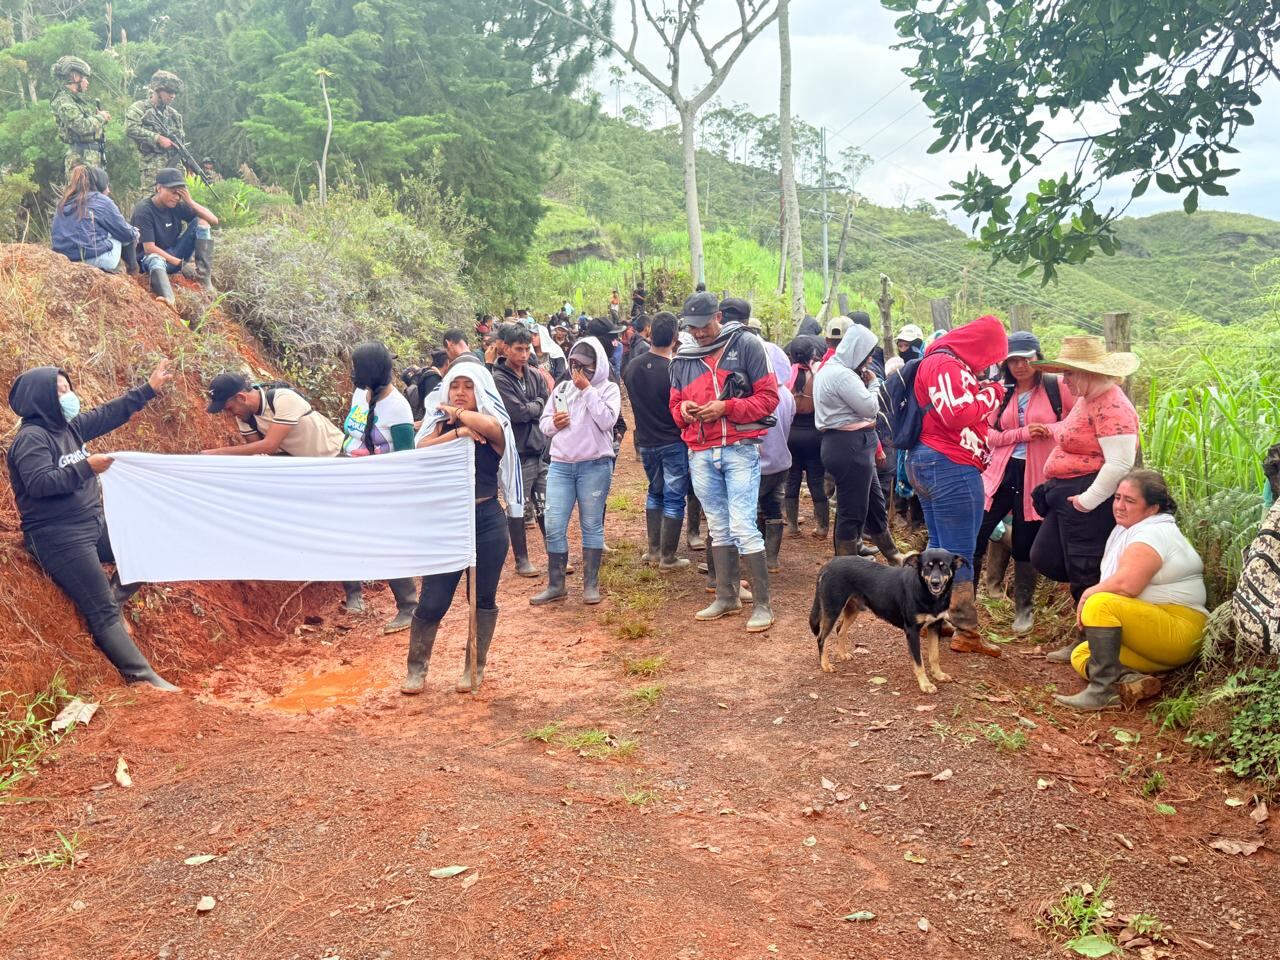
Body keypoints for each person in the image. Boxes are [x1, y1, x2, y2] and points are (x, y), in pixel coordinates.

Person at [6, 359, 179, 690]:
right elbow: (40, 484)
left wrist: (149, 389)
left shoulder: (68, 427)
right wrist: (86, 467)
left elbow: (108, 414)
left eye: (68, 388)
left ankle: (116, 596)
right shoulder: (32, 439)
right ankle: (144, 679)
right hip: (59, 536)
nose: (68, 396)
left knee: (148, 544)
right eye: (59, 392)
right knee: (102, 611)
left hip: (92, 524)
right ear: (40, 399)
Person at [405, 364, 521, 694]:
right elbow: (421, 450)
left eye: (468, 386)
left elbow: (493, 428)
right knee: (433, 600)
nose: (460, 392)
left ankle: (474, 666)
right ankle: (416, 668)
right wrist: (457, 432)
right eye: (454, 386)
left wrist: (461, 416)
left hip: (487, 520)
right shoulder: (437, 425)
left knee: (481, 598)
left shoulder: (493, 424)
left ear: (480, 391)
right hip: (448, 522)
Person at [669, 292, 780, 631]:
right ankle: (726, 595)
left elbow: (769, 399)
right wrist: (684, 411)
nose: (699, 332)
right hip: (701, 450)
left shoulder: (746, 345)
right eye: (692, 327)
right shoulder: (684, 356)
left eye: (704, 325)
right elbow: (674, 406)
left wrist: (726, 408)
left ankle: (762, 605)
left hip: (739, 448)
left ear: (718, 317)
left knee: (743, 525)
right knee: (717, 526)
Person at [1056, 470, 1208, 710]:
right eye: (1117, 498)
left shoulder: (1152, 534)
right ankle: (1131, 680)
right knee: (1082, 654)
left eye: (1130, 500)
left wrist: (1087, 594)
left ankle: (1102, 692)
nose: (1119, 506)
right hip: (1155, 633)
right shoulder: (1133, 529)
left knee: (1099, 603)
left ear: (1152, 508)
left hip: (1179, 630)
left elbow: (1127, 586)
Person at [1030, 336, 1141, 661]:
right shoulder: (1089, 399)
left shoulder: (1113, 406)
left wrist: (1087, 501)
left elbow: (1119, 462)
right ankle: (1090, 632)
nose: (1064, 381)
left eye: (1069, 373)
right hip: (1070, 496)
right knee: (1048, 556)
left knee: (1085, 568)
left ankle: (1092, 645)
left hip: (1088, 498)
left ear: (1088, 372)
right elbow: (1077, 434)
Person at [907, 315, 1008, 657]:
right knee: (959, 553)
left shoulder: (936, 361)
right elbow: (956, 414)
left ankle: (934, 617)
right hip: (950, 464)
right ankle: (966, 631)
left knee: (938, 546)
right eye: (992, 356)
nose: (991, 364)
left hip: (928, 460)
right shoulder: (946, 365)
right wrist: (993, 392)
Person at [974, 331, 1074, 634]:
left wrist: (1049, 430)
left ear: (1038, 358)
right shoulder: (1001, 391)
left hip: (1039, 474)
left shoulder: (1058, 387)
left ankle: (1023, 609)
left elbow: (1077, 423)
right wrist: (1022, 433)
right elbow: (987, 433)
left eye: (1026, 359)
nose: (1019, 366)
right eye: (1013, 360)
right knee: (977, 530)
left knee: (1025, 539)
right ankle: (963, 604)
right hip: (1001, 472)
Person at [335, 342, 421, 630]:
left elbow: (406, 457)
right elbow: (352, 435)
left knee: (388, 544)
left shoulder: (398, 408)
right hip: (351, 478)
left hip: (383, 485)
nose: (352, 372)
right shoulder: (360, 395)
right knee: (344, 536)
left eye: (355, 368)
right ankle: (353, 595)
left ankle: (408, 606)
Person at [531, 338, 620, 605]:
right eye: (573, 365)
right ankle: (556, 585)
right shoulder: (562, 388)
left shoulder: (608, 389)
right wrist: (555, 423)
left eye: (584, 366)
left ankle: (590, 585)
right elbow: (544, 424)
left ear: (597, 365)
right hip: (561, 465)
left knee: (591, 523)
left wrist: (588, 390)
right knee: (554, 523)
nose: (577, 372)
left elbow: (607, 421)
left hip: (594, 465)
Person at [814, 323, 901, 562]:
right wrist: (873, 384)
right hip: (849, 445)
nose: (870, 359)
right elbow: (871, 407)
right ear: (857, 351)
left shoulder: (832, 370)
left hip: (850, 444)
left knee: (873, 503)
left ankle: (893, 556)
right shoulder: (842, 375)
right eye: (868, 354)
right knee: (851, 510)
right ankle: (847, 567)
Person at [624, 311, 690, 571]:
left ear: (650, 333)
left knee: (655, 491)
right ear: (675, 337)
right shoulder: (675, 370)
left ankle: (653, 550)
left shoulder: (632, 367)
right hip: (672, 441)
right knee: (674, 497)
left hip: (646, 441)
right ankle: (668, 557)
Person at [492, 324, 549, 578]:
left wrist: (533, 407)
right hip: (517, 453)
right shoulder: (499, 379)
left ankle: (554, 553)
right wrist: (536, 405)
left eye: (527, 349)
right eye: (519, 349)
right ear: (506, 348)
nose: (524, 354)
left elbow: (546, 403)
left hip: (539, 448)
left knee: (545, 504)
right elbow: (517, 412)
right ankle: (521, 559)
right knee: (517, 506)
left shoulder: (535, 375)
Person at [202, 373, 344, 458]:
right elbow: (258, 452)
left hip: (337, 456)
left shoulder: (283, 398)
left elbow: (269, 445)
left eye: (229, 409)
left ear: (241, 398)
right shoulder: (245, 417)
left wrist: (219, 452)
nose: (229, 415)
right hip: (308, 465)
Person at [131, 167, 219, 304]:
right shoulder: (144, 210)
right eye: (173, 192)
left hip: (175, 254)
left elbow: (213, 220)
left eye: (180, 194)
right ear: (159, 188)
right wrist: (181, 264)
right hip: (151, 261)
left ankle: (204, 278)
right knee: (155, 258)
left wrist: (190, 202)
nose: (177, 197)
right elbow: (149, 248)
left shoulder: (176, 205)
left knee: (201, 222)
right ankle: (169, 298)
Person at [51, 166, 139, 274]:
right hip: (93, 260)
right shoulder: (102, 201)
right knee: (122, 233)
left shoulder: (64, 201)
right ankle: (134, 273)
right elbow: (125, 233)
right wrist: (135, 232)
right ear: (100, 185)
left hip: (63, 260)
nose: (108, 190)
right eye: (107, 185)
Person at [784, 336, 829, 540]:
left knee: (792, 480)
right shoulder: (818, 377)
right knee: (816, 481)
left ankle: (793, 527)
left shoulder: (786, 378)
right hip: (814, 435)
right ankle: (822, 527)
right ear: (813, 355)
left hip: (791, 435)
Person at [757, 338, 796, 573]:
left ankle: (754, 556)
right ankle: (771, 559)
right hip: (781, 462)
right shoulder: (786, 395)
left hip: (758, 464)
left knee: (752, 510)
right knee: (773, 508)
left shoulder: (757, 396)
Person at [125, 71, 191, 188]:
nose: (172, 96)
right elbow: (130, 128)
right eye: (169, 91)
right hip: (153, 169)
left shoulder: (174, 115)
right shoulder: (140, 108)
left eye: (175, 92)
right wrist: (157, 138)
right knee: (152, 198)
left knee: (179, 197)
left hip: (175, 170)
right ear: (157, 90)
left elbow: (180, 142)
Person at [50, 56, 108, 175]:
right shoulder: (64, 101)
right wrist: (100, 118)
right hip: (80, 161)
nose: (87, 82)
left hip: (91, 158)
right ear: (75, 77)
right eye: (84, 78)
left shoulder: (76, 100)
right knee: (82, 188)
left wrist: (97, 117)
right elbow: (81, 126)